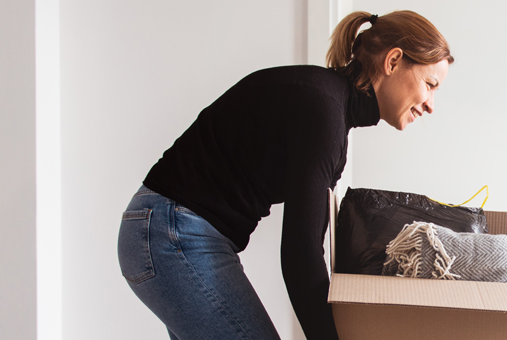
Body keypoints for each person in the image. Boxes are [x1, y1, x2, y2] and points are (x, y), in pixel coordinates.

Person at [116, 10, 453, 340]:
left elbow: (311, 247)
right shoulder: (323, 110)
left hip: (168, 231)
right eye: (430, 84)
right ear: (393, 61)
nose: (431, 105)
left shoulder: (329, 109)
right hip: (173, 233)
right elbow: (301, 256)